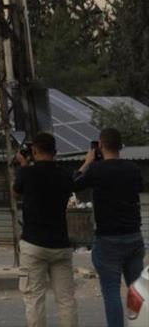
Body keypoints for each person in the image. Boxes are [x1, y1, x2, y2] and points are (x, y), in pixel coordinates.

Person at [74, 127, 144, 327]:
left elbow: (74, 184)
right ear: (120, 146)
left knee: (112, 293)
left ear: (101, 145)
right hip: (133, 237)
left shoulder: (96, 170)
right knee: (137, 292)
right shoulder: (133, 169)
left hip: (108, 240)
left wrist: (87, 163)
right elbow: (138, 188)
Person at [13, 132, 78, 327]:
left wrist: (23, 167)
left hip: (33, 245)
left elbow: (15, 194)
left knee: (34, 299)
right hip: (60, 245)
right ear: (55, 152)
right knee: (66, 299)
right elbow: (72, 185)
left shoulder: (27, 173)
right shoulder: (64, 176)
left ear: (34, 151)